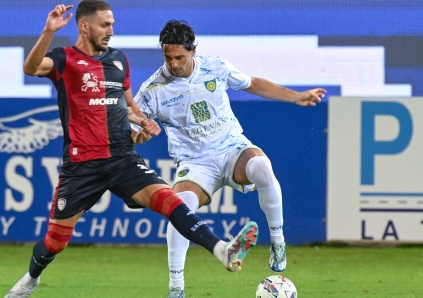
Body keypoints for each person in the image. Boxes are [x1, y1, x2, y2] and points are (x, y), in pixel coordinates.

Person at [4, 3, 259, 298]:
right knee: (55, 242)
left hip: (122, 158)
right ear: (84, 26)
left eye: (112, 24)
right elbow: (31, 68)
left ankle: (222, 249)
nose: (111, 31)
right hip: (82, 165)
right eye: (104, 25)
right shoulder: (65, 59)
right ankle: (31, 279)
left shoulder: (118, 61)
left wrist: (143, 122)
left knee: (169, 200)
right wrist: (49, 31)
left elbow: (130, 106)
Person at [132, 20, 327, 298]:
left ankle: (277, 241)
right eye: (168, 57)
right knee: (179, 207)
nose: (173, 64)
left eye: (180, 57)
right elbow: (131, 127)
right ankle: (176, 287)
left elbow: (253, 84)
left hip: (231, 149)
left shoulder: (215, 67)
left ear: (193, 50)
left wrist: (296, 97)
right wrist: (137, 135)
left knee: (260, 165)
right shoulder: (153, 89)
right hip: (196, 163)